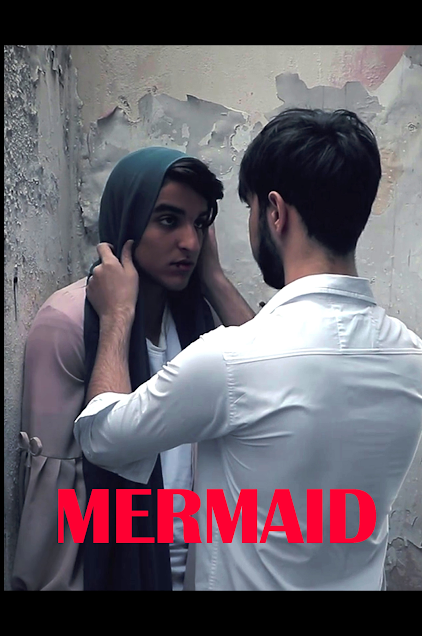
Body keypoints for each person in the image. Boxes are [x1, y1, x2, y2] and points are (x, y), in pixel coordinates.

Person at [75, 109, 422, 591]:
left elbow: (104, 438)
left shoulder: (231, 359)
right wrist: (215, 280)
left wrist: (115, 318)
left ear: (275, 212)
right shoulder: (411, 359)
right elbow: (283, 366)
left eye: (251, 209)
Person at [12, 147, 255, 591]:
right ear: (128, 220)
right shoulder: (68, 322)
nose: (189, 242)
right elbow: (54, 490)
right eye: (168, 220)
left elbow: (268, 370)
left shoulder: (196, 320)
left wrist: (215, 279)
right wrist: (118, 318)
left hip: (202, 569)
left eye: (200, 224)